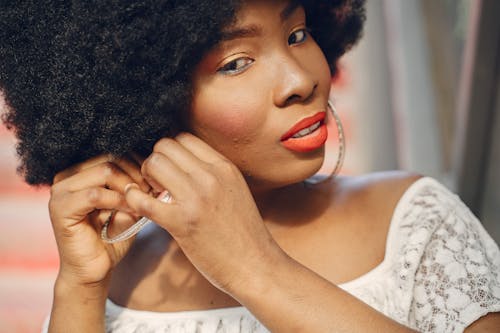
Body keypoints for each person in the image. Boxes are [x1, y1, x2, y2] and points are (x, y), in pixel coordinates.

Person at [1, 0, 499, 332]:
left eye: (298, 33)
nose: (299, 80)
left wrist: (255, 268)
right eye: (236, 62)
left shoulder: (413, 221)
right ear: (144, 97)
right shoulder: (115, 278)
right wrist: (81, 288)